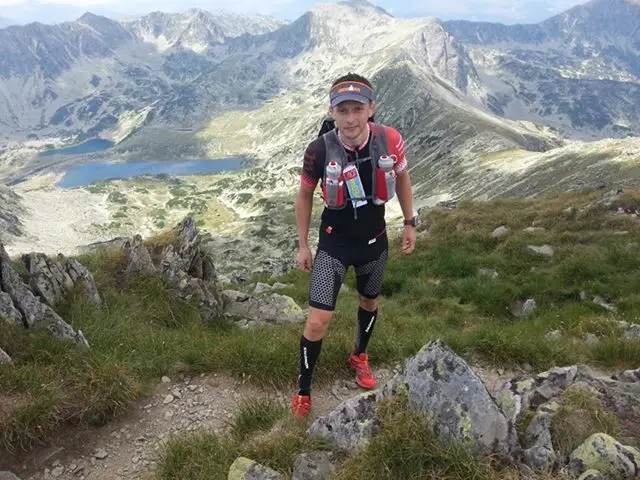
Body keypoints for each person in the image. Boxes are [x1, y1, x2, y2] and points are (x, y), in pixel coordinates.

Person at [292, 72, 418, 419]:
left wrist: (409, 222)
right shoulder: (319, 150)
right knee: (317, 321)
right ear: (332, 111)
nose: (350, 119)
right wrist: (303, 245)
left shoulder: (390, 140)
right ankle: (303, 389)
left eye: (357, 109)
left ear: (370, 109)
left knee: (369, 301)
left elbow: (402, 177)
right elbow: (304, 195)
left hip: (375, 242)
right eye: (342, 110)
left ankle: (359, 355)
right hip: (334, 243)